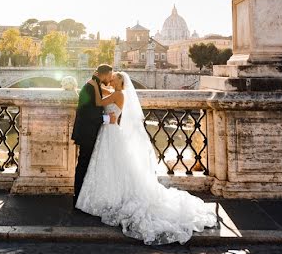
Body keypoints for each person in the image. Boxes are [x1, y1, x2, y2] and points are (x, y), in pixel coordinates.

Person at [75, 71, 217, 244]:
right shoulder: (116, 93)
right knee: (110, 167)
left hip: (110, 131)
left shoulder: (118, 94)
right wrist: (88, 87)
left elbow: (100, 103)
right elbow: (103, 95)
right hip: (107, 134)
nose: (110, 81)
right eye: (109, 78)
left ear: (120, 82)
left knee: (109, 166)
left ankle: (107, 197)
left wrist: (93, 85)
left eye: (113, 79)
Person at [71, 64, 117, 206]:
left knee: (86, 164)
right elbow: (86, 112)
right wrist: (107, 119)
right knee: (83, 164)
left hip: (89, 131)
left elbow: (97, 105)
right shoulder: (90, 86)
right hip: (86, 132)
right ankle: (78, 198)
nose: (110, 78)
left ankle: (82, 197)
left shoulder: (94, 84)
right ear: (104, 74)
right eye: (110, 76)